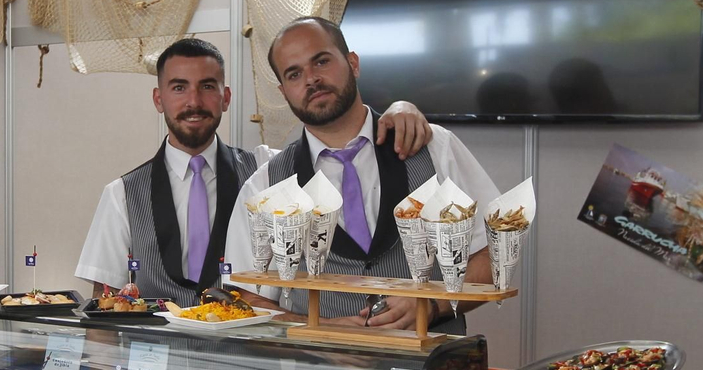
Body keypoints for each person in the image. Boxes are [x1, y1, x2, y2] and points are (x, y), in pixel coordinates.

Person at [75, 36, 434, 302]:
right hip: (157, 367)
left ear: (226, 97)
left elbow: (339, 151)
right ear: (159, 99)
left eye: (207, 87)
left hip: (245, 362)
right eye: (179, 88)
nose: (194, 102)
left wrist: (400, 110)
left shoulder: (266, 171)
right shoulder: (122, 194)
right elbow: (103, 300)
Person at [226, 16, 499, 331]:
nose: (311, 79)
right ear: (284, 91)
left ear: (353, 63)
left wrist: (433, 306)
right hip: (318, 361)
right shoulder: (265, 186)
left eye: (321, 61)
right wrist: (323, 328)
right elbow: (244, 298)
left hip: (434, 358)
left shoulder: (434, 147)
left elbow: (492, 255)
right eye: (294, 74)